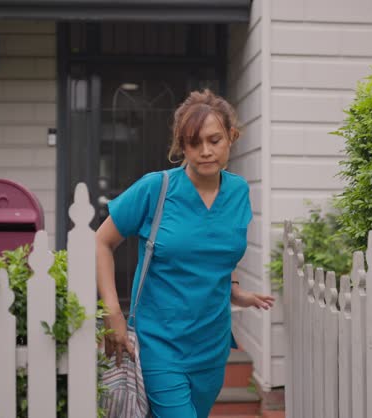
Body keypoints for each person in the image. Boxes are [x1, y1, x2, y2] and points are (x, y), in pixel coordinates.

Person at [96, 89, 275, 418]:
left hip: (212, 346)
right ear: (181, 146)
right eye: (194, 143)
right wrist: (113, 312)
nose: (206, 151)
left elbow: (217, 254)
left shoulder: (238, 192)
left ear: (231, 137)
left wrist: (237, 293)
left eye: (215, 140)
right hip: (160, 344)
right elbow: (101, 242)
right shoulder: (156, 189)